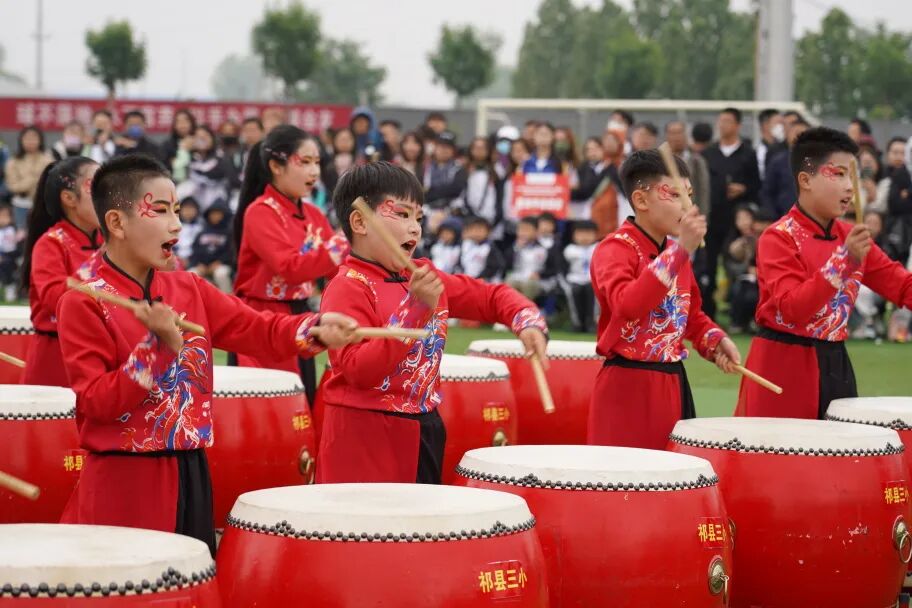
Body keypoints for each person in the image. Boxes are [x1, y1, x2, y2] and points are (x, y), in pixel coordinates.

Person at [56, 154, 358, 552]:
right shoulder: (85, 302)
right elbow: (96, 403)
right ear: (116, 222)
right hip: (126, 477)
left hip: (191, 466)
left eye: (176, 210)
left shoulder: (188, 289)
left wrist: (315, 328)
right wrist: (156, 349)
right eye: (159, 211)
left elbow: (259, 329)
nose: (176, 225)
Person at [316, 161, 549, 484]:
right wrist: (416, 308)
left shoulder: (424, 276)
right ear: (360, 222)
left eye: (419, 218)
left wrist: (527, 321)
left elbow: (490, 297)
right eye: (402, 214)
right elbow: (359, 371)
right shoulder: (348, 287)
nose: (415, 228)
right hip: (365, 432)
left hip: (424, 426)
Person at [736, 127, 912, 420]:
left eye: (852, 176)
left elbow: (902, 285)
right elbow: (793, 309)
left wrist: (850, 255)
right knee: (782, 447)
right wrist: (844, 261)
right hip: (783, 364)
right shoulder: (778, 237)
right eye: (839, 174)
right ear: (805, 180)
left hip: (835, 362)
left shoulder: (851, 237)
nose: (850, 187)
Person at [588, 150, 740, 449]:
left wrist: (714, 340)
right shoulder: (615, 248)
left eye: (689, 196)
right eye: (675, 195)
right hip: (627, 386)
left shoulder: (674, 253)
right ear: (641, 200)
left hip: (673, 382)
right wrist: (680, 251)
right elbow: (628, 306)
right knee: (625, 473)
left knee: (673, 471)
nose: (687, 206)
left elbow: (690, 315)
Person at [232, 125, 349, 405]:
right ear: (276, 166)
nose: (314, 171)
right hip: (262, 320)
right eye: (305, 162)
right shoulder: (260, 212)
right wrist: (341, 242)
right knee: (268, 408)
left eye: (317, 162)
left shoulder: (314, 215)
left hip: (300, 316)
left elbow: (337, 271)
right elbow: (291, 268)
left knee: (300, 404)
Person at [20, 156, 102, 385]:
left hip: (99, 357)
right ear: (69, 198)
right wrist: (104, 256)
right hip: (56, 362)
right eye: (96, 187)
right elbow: (54, 299)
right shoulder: (50, 244)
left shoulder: (109, 242)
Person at [701, 108, 761, 319]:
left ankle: (739, 316)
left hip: (736, 223)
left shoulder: (748, 154)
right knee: (708, 269)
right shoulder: (708, 153)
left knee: (737, 268)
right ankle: (707, 314)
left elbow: (757, 185)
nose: (723, 125)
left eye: (727, 121)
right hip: (712, 220)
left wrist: (743, 189)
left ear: (737, 125)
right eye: (721, 121)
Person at [173, 125, 233, 212]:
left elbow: (215, 175)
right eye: (198, 137)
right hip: (193, 202)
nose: (202, 139)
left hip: (216, 199)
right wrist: (183, 150)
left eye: (205, 136)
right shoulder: (189, 157)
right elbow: (178, 176)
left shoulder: (221, 156)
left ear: (212, 138)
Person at [5, 125, 54, 230]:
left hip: (42, 205)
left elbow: (51, 183)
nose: (31, 141)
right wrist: (33, 179)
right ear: (21, 140)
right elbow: (12, 186)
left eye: (34, 137)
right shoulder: (14, 161)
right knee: (22, 235)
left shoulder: (48, 160)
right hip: (21, 205)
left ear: (40, 140)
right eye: (27, 138)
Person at [761, 117, 810, 219]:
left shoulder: (819, 162)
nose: (799, 137)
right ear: (787, 136)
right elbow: (767, 192)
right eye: (796, 133)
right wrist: (774, 216)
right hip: (784, 217)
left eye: (803, 134)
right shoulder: (777, 162)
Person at [665, 121, 711, 217]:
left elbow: (703, 190)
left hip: (690, 213)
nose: (676, 137)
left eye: (680, 132)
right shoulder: (659, 160)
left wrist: (702, 215)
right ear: (667, 136)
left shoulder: (696, 160)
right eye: (673, 133)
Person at [454, 136, 501, 228]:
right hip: (468, 217)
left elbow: (499, 197)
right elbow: (458, 192)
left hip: (489, 217)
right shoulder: (463, 170)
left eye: (482, 148)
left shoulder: (496, 171)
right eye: (476, 148)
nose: (479, 151)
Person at [561, 220, 599, 332]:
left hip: (593, 279)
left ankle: (592, 322)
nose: (584, 237)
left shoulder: (598, 247)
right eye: (580, 234)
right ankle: (577, 323)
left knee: (593, 293)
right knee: (574, 292)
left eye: (588, 233)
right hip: (574, 279)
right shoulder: (569, 250)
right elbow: (563, 268)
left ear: (595, 235)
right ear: (574, 235)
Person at [189, 203, 233, 293]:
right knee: (190, 274)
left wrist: (220, 262)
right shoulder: (202, 233)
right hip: (202, 266)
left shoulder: (230, 233)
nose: (215, 216)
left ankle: (228, 298)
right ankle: (190, 300)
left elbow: (232, 252)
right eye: (212, 213)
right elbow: (195, 250)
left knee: (221, 274)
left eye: (218, 213)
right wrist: (198, 264)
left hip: (221, 265)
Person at [570, 137, 608, 220]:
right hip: (585, 212)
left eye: (595, 148)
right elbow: (583, 191)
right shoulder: (581, 169)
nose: (592, 152)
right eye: (589, 149)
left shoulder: (611, 168)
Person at [424, 131, 464, 210]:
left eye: (448, 147)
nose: (444, 150)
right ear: (435, 148)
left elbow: (457, 190)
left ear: (453, 150)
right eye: (441, 146)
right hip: (426, 208)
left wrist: (431, 191)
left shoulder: (459, 167)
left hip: (451, 209)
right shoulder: (426, 167)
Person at [460, 216, 505, 281]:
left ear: (488, 232)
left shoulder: (490, 247)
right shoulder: (466, 244)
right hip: (467, 279)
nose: (477, 233)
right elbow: (461, 262)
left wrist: (479, 278)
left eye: (480, 230)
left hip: (484, 281)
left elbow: (495, 266)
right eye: (474, 229)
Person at [756, 109, 785, 180]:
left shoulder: (785, 150)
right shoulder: (759, 153)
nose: (782, 126)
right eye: (779, 123)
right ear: (765, 125)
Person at [174, 196, 202, 268]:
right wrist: (178, 257)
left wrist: (191, 260)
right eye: (185, 209)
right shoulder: (174, 226)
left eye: (191, 209)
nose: (188, 212)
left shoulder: (200, 228)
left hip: (195, 261)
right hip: (176, 259)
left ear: (197, 210)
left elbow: (201, 248)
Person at [0, 204, 17, 301]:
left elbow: (11, 248)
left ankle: (9, 287)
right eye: (1, 216)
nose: (3, 219)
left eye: (6, 216)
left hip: (9, 256)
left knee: (7, 263)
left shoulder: (12, 230)